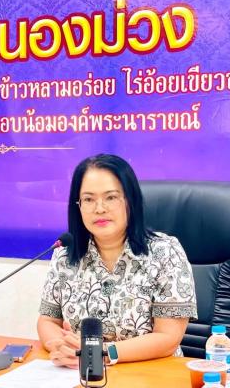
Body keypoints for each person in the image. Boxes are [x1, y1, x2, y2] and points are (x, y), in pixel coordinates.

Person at [38, 154, 197, 368]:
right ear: (78, 205)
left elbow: (168, 338)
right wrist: (62, 347)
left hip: (151, 374)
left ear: (130, 201)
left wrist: (99, 354)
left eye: (111, 197)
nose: (99, 208)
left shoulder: (165, 252)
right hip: (80, 374)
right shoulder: (65, 255)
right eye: (88, 199)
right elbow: (48, 320)